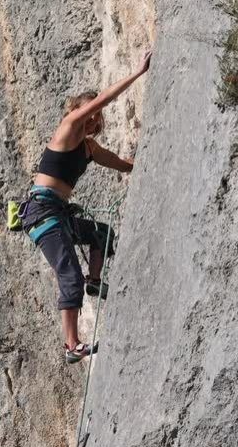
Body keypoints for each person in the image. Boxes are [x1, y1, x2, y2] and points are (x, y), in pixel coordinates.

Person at [20, 51, 151, 363]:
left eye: (96, 117)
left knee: (101, 235)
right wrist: (137, 73)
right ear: (77, 112)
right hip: (42, 213)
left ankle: (94, 281)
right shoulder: (67, 127)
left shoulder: (89, 148)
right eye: (89, 113)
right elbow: (103, 99)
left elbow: (122, 164)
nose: (94, 118)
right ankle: (71, 345)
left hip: (58, 214)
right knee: (68, 274)